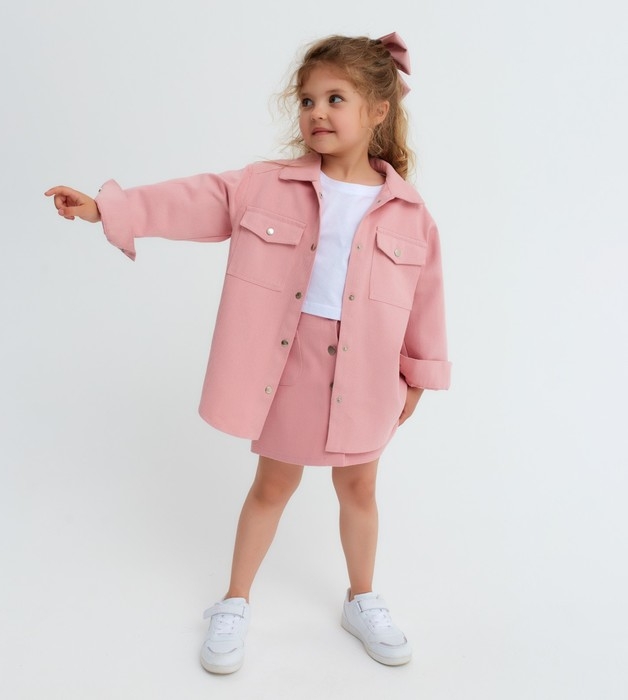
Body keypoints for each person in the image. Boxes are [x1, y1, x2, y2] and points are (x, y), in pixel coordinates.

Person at [45, 31, 451, 674]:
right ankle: (234, 602)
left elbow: (426, 295)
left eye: (336, 98)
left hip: (368, 370)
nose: (317, 112)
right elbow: (192, 200)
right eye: (308, 99)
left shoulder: (409, 211)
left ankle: (362, 598)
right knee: (273, 484)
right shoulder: (266, 186)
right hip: (290, 363)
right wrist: (107, 209)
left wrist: (418, 375)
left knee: (360, 486)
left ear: (378, 110)